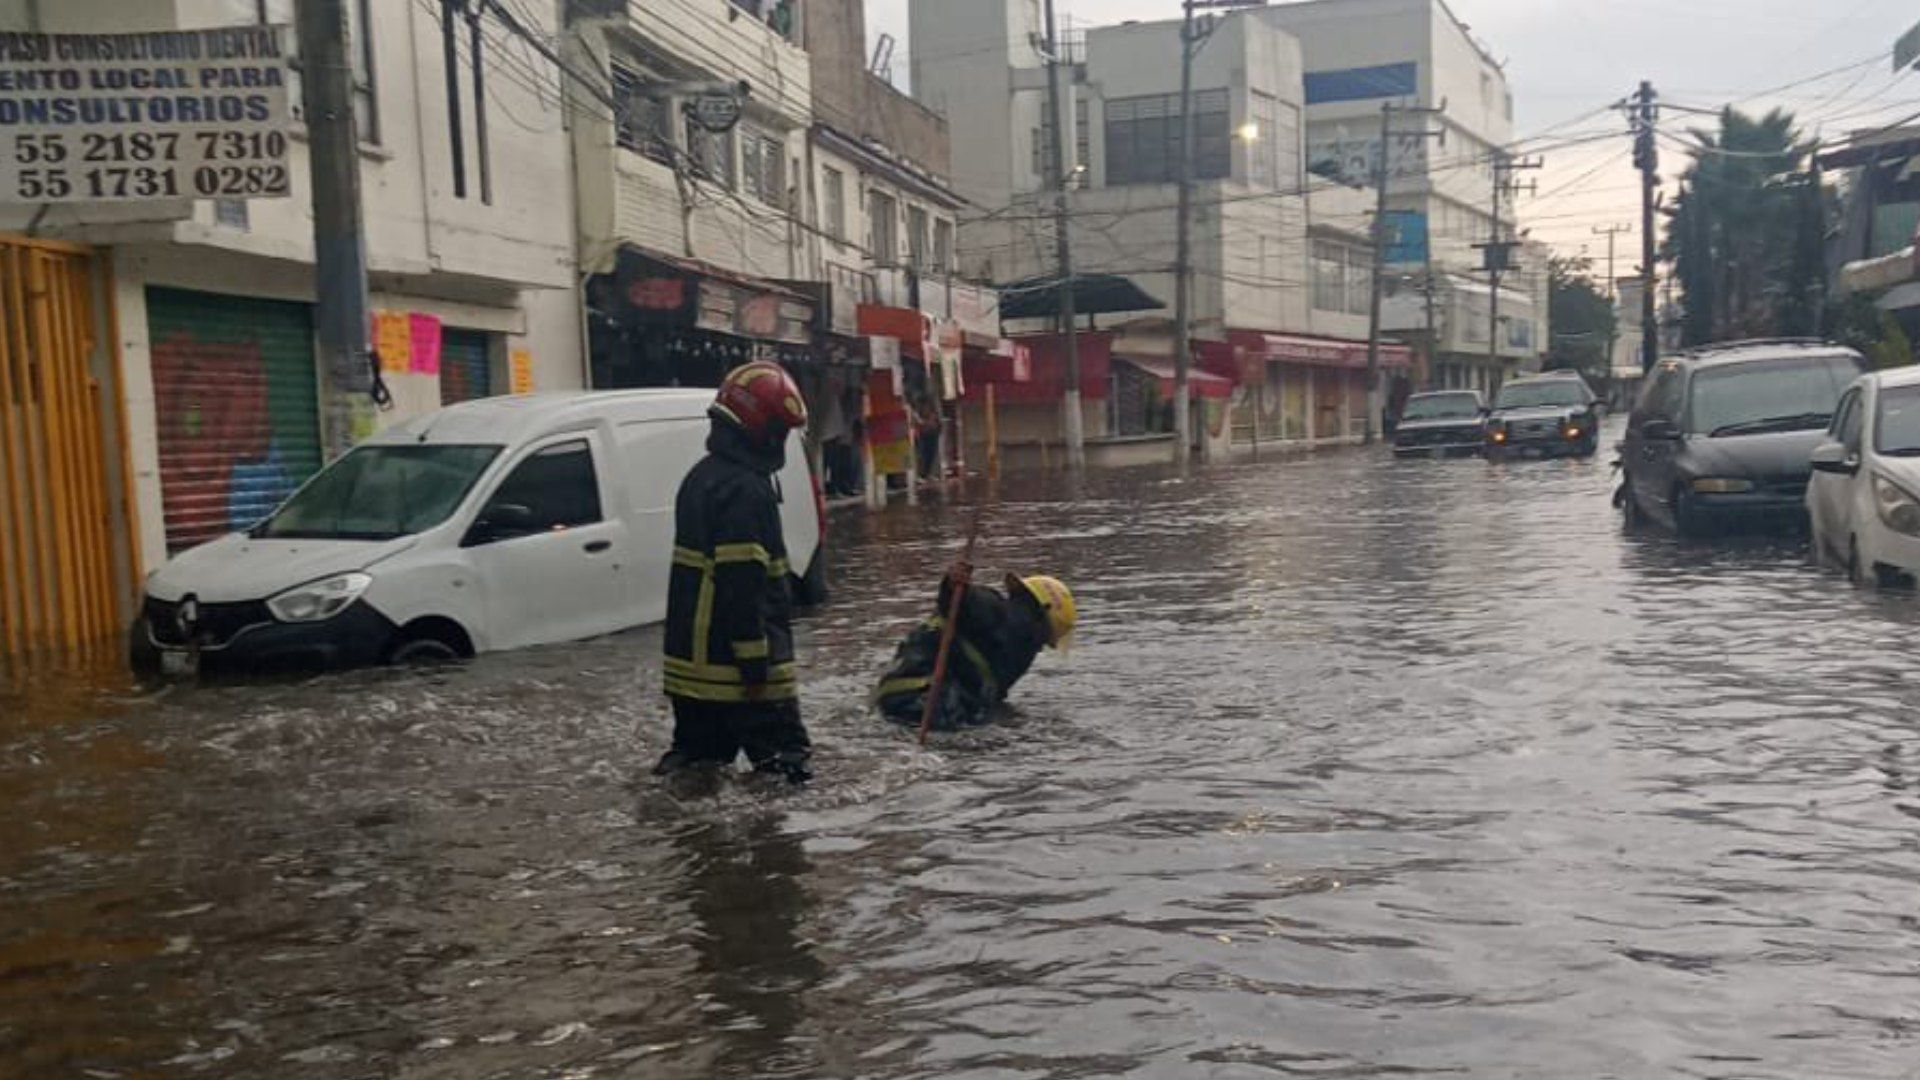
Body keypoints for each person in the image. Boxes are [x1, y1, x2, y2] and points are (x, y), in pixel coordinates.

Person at [657, 360, 813, 784]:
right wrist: (754, 665)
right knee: (786, 773)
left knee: (696, 770)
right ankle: (779, 851)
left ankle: (688, 846)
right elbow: (740, 584)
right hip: (738, 673)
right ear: (760, 428)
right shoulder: (746, 489)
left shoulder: (700, 478)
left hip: (692, 672)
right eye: (779, 430)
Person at [873, 561, 1076, 731]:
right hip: (927, 703)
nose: (1040, 648)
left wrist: (953, 587)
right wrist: (954, 587)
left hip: (894, 696)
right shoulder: (1002, 614)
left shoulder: (1006, 622)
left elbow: (960, 604)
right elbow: (967, 604)